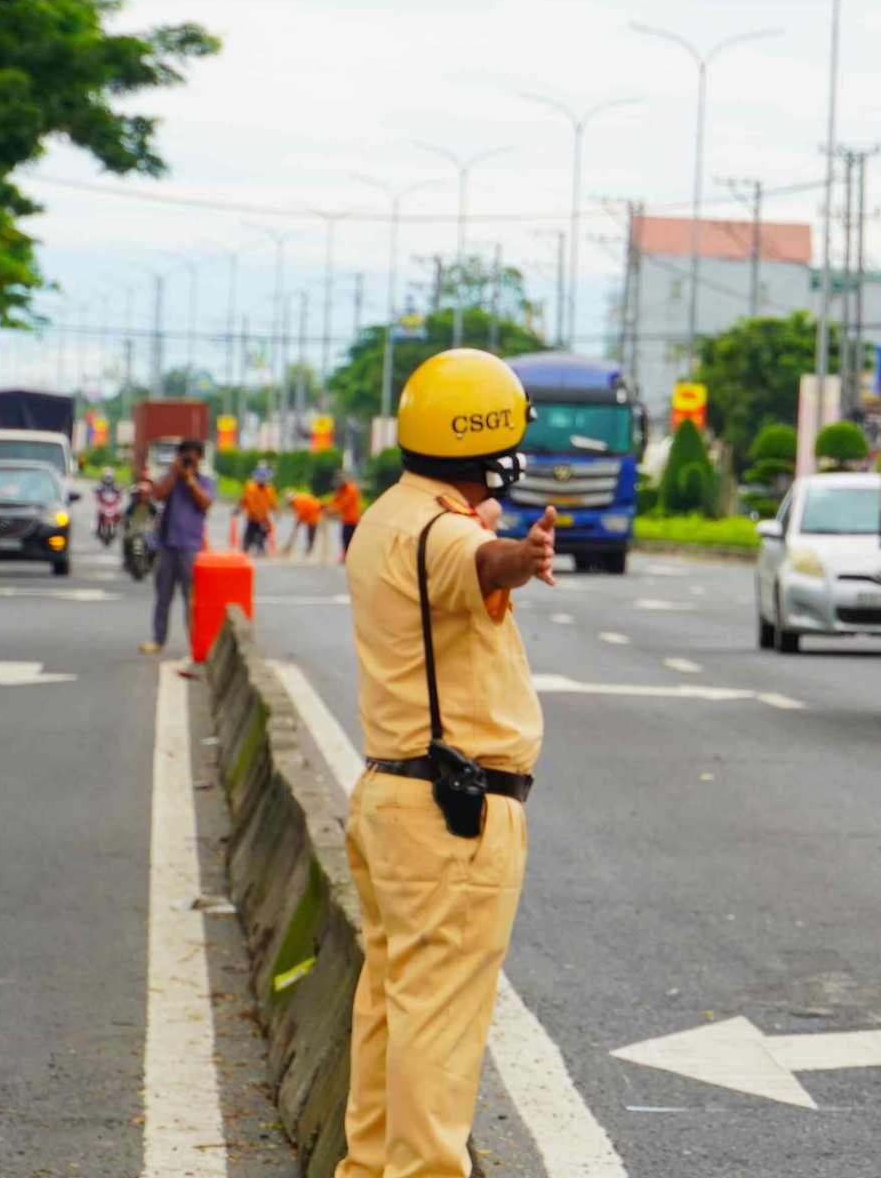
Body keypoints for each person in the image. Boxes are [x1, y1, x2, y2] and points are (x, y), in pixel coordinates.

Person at [338, 348, 555, 1178]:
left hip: (392, 798)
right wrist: (519, 557)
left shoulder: (386, 518)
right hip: (451, 817)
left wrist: (498, 543)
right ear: (492, 442)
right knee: (439, 1029)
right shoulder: (444, 531)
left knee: (390, 1014)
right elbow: (476, 562)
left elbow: (463, 555)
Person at [139, 438, 216, 655]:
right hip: (167, 544)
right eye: (184, 457)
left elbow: (205, 503)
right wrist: (174, 473)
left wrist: (190, 479)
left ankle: (195, 642)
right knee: (163, 595)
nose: (188, 461)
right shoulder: (171, 478)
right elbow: (159, 495)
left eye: (192, 457)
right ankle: (158, 639)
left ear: (200, 459)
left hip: (190, 546)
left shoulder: (205, 481)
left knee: (191, 599)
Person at [239, 463, 279, 557]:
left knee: (262, 537)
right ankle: (244, 552)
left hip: (263, 518)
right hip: (252, 518)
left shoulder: (269, 490)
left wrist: (276, 512)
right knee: (248, 536)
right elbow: (245, 500)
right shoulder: (250, 487)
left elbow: (272, 502)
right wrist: (239, 509)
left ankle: (261, 553)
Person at [330, 469, 366, 563]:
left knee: (350, 539)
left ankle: (351, 557)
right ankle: (346, 555)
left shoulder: (351, 489)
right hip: (346, 519)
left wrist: (332, 510)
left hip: (353, 519)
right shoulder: (342, 489)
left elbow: (344, 504)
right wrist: (326, 505)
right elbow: (336, 499)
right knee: (344, 538)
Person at [289, 485, 325, 559]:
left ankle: (309, 550)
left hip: (313, 515)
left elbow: (301, 514)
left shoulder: (297, 501)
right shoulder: (300, 497)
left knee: (311, 534)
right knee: (311, 534)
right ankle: (309, 549)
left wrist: (297, 523)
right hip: (314, 511)